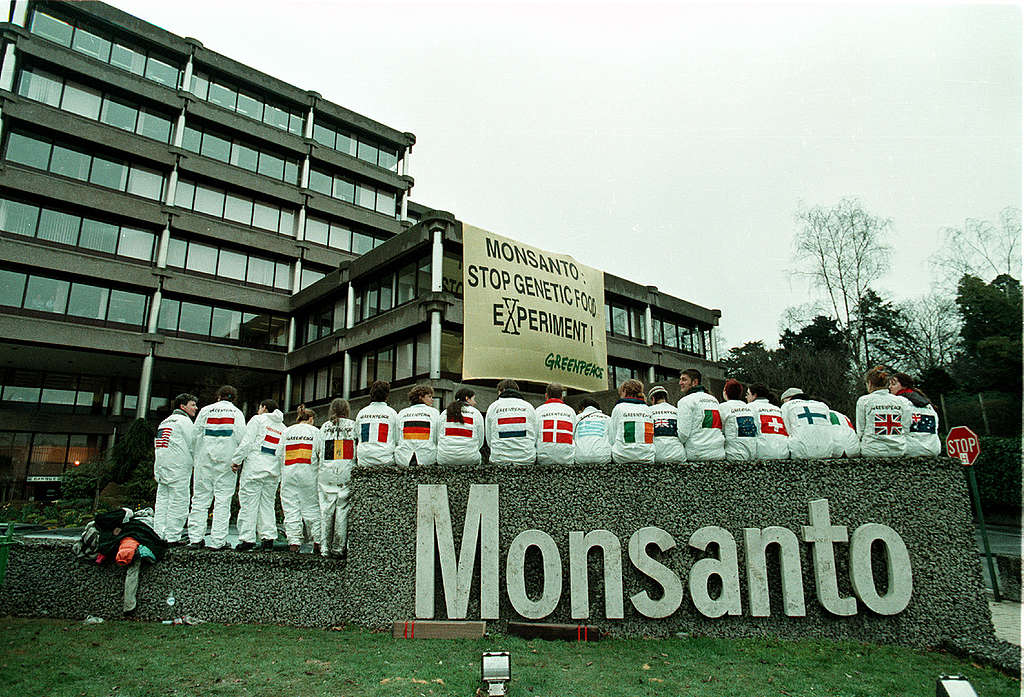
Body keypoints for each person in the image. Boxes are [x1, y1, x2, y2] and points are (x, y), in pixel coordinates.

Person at [186, 385, 246, 550]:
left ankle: (195, 539)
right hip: (226, 462)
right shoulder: (236, 413)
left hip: (204, 461)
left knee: (199, 500)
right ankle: (218, 541)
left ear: (218, 396)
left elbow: (194, 436)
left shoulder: (205, 411)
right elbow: (243, 439)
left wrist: (196, 458)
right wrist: (238, 460)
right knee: (222, 501)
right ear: (233, 398)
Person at [230, 399, 284, 551]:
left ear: (264, 407)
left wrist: (236, 460)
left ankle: (247, 539)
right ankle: (268, 539)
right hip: (273, 471)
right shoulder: (283, 427)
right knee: (267, 504)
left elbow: (247, 443)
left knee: (248, 504)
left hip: (254, 469)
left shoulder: (257, 420)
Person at [153, 393, 197, 544]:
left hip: (162, 466)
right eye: (193, 405)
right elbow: (194, 445)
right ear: (183, 406)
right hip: (178, 468)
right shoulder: (184, 422)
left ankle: (159, 534)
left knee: (162, 502)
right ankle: (172, 537)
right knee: (179, 502)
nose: (196, 408)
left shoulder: (165, 422)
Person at [279, 405, 322, 553]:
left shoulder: (286, 432)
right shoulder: (316, 432)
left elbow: (279, 454)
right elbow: (320, 454)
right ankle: (318, 541)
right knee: (313, 509)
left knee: (291, 509)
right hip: (309, 474)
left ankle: (294, 542)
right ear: (311, 419)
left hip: (289, 474)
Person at [318, 398, 357, 558]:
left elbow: (319, 450)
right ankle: (339, 548)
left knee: (326, 510)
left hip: (326, 472)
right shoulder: (352, 425)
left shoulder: (325, 427)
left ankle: (324, 548)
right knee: (342, 509)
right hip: (345, 471)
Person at [856, 366, 907, 457]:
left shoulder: (864, 400)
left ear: (870, 383)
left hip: (872, 450)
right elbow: (905, 425)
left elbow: (860, 430)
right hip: (898, 449)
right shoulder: (901, 401)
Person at [676, 369, 725, 460]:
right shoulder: (714, 400)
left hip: (697, 454)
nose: (680, 382)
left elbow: (683, 434)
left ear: (695, 382)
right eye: (680, 379)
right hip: (718, 453)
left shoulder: (685, 401)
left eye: (684, 379)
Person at [485, 379, 537, 464]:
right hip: (526, 459)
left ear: (502, 391)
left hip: (500, 459)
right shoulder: (529, 407)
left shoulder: (493, 407)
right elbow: (535, 434)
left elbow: (489, 437)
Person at [889, 372, 941, 457]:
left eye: (893, 384)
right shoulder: (928, 405)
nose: (889, 387)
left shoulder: (898, 403)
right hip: (933, 448)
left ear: (904, 385)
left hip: (911, 450)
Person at [779, 387, 833, 459]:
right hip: (827, 451)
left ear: (789, 398)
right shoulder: (822, 405)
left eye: (783, 401)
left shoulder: (787, 406)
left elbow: (787, 430)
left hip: (799, 452)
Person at [609, 379, 654, 464]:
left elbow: (612, 435)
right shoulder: (647, 409)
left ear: (624, 391)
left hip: (622, 456)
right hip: (647, 456)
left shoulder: (619, 408)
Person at [437, 388, 486, 466]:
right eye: (473, 399)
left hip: (444, 458)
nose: (475, 402)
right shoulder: (476, 413)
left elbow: (438, 436)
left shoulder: (444, 413)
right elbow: (480, 440)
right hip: (470, 458)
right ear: (467, 398)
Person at [354, 381, 398, 466]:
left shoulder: (361, 413)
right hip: (386, 460)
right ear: (387, 395)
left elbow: (357, 435)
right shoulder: (392, 413)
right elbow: (396, 439)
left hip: (364, 461)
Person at [395, 385, 440, 466]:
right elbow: (437, 437)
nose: (432, 399)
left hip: (403, 458)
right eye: (429, 397)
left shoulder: (402, 413)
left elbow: (397, 437)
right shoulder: (434, 412)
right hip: (427, 458)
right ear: (420, 397)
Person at [535, 383, 576, 465]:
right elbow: (573, 435)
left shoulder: (538, 411)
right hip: (566, 460)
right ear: (562, 396)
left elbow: (535, 436)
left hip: (543, 460)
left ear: (546, 395)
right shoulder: (570, 411)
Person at [746, 383, 789, 459]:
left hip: (762, 455)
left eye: (748, 394)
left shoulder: (748, 408)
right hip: (783, 453)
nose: (746, 397)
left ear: (754, 395)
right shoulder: (777, 409)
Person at [719, 379, 756, 461]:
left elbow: (718, 430)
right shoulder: (748, 407)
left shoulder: (723, 407)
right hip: (752, 453)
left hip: (733, 455)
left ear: (725, 392)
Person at [649, 385, 686, 464]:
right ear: (666, 398)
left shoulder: (648, 411)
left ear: (653, 399)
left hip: (656, 456)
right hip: (678, 455)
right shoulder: (677, 410)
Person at [573, 398, 612, 464]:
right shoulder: (607, 419)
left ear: (582, 408)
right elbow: (612, 439)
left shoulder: (576, 418)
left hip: (580, 458)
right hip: (603, 458)